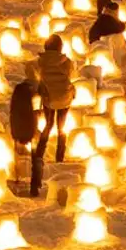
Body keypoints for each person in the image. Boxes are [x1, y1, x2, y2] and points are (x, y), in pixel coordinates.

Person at [34, 32, 74, 173]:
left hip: (49, 98)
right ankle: (59, 156)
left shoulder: (41, 61)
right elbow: (70, 75)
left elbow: (37, 76)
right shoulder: (66, 61)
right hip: (64, 97)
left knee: (48, 124)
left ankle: (39, 153)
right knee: (61, 127)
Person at [8, 72, 40, 195]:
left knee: (17, 155)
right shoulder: (31, 99)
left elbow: (12, 115)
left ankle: (17, 177)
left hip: (17, 131)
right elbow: (33, 117)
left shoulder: (16, 98)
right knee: (34, 157)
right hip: (29, 132)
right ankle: (34, 183)